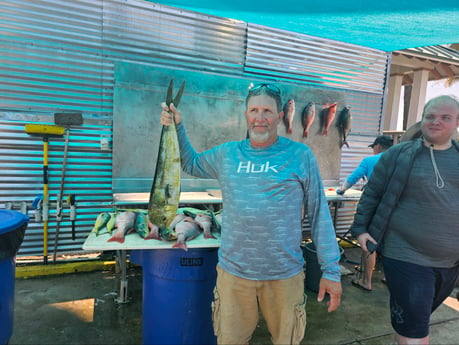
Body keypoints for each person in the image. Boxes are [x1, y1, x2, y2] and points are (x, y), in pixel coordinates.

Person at [160, 83, 342, 345]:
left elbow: (318, 215)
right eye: (254, 110)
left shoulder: (300, 155)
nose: (260, 118)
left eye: (267, 111)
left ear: (279, 116)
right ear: (245, 114)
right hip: (234, 275)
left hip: (284, 275)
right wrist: (176, 125)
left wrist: (331, 271)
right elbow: (189, 162)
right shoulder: (227, 154)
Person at [349, 95, 459, 345]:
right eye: (430, 116)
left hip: (450, 262)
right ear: (422, 120)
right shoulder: (398, 155)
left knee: (411, 322)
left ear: (457, 122)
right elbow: (373, 193)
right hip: (406, 255)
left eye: (445, 117)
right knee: (416, 333)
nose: (436, 122)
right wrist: (360, 230)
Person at [336, 135, 393, 291]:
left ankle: (366, 281)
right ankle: (389, 277)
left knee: (369, 242)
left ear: (379, 146)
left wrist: (341, 190)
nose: (373, 149)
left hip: (375, 206)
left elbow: (352, 178)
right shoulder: (400, 159)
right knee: (391, 243)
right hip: (396, 207)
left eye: (373, 146)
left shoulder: (370, 161)